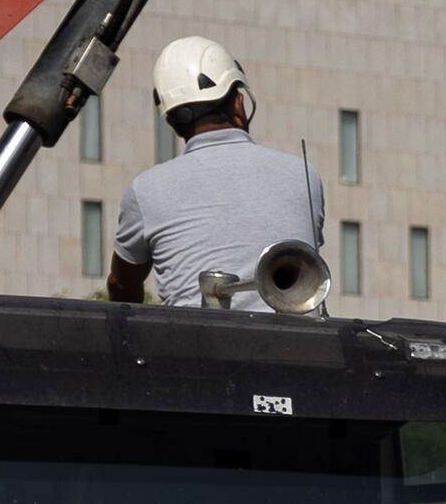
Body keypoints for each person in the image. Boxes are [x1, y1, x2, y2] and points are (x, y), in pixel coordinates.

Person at [103, 37, 328, 309]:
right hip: (300, 348)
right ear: (238, 104)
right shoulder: (303, 174)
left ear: (174, 122)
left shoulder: (145, 189)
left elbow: (121, 284)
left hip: (193, 347)